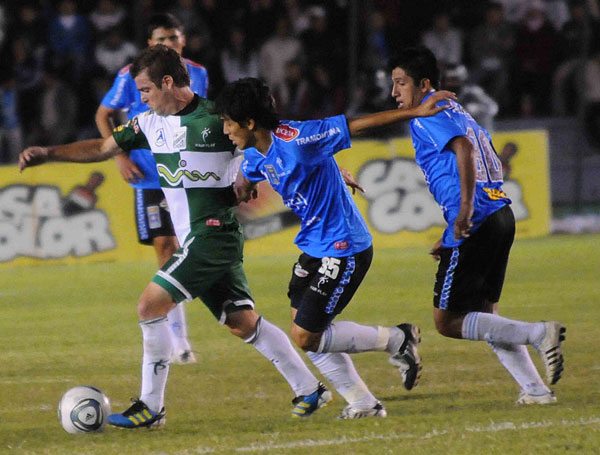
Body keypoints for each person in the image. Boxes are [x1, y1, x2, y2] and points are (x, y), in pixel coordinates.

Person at [19, 45, 333, 428]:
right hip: (196, 239)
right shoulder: (147, 124)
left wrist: (262, 174)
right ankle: (309, 389)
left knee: (149, 306)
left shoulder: (218, 119)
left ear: (168, 82)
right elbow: (102, 147)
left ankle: (150, 407)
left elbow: (275, 143)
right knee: (241, 321)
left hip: (212, 234)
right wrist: (49, 152)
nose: (141, 99)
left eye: (146, 90)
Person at [215, 77, 454, 418]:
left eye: (228, 122)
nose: (225, 130)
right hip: (315, 246)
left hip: (344, 246)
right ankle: (363, 403)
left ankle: (397, 339)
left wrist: (416, 112)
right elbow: (247, 179)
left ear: (250, 123)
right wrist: (240, 190)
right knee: (305, 327)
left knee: (306, 335)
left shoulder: (300, 139)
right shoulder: (255, 155)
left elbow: (354, 125)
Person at [389, 46, 566, 404]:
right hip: (499, 212)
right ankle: (535, 390)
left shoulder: (427, 114)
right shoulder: (458, 110)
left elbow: (465, 150)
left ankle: (538, 333)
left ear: (423, 84)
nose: (394, 92)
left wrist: (465, 211)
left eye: (401, 83)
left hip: (476, 218)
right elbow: (487, 156)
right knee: (487, 316)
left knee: (447, 321)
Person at [95, 13, 209, 365]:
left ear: (183, 40)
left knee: (192, 249)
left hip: (184, 172)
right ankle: (179, 341)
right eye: (161, 39)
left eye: (173, 38)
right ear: (150, 43)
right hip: (148, 174)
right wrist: (119, 156)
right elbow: (103, 114)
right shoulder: (131, 74)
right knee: (165, 247)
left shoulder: (198, 73)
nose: (168, 44)